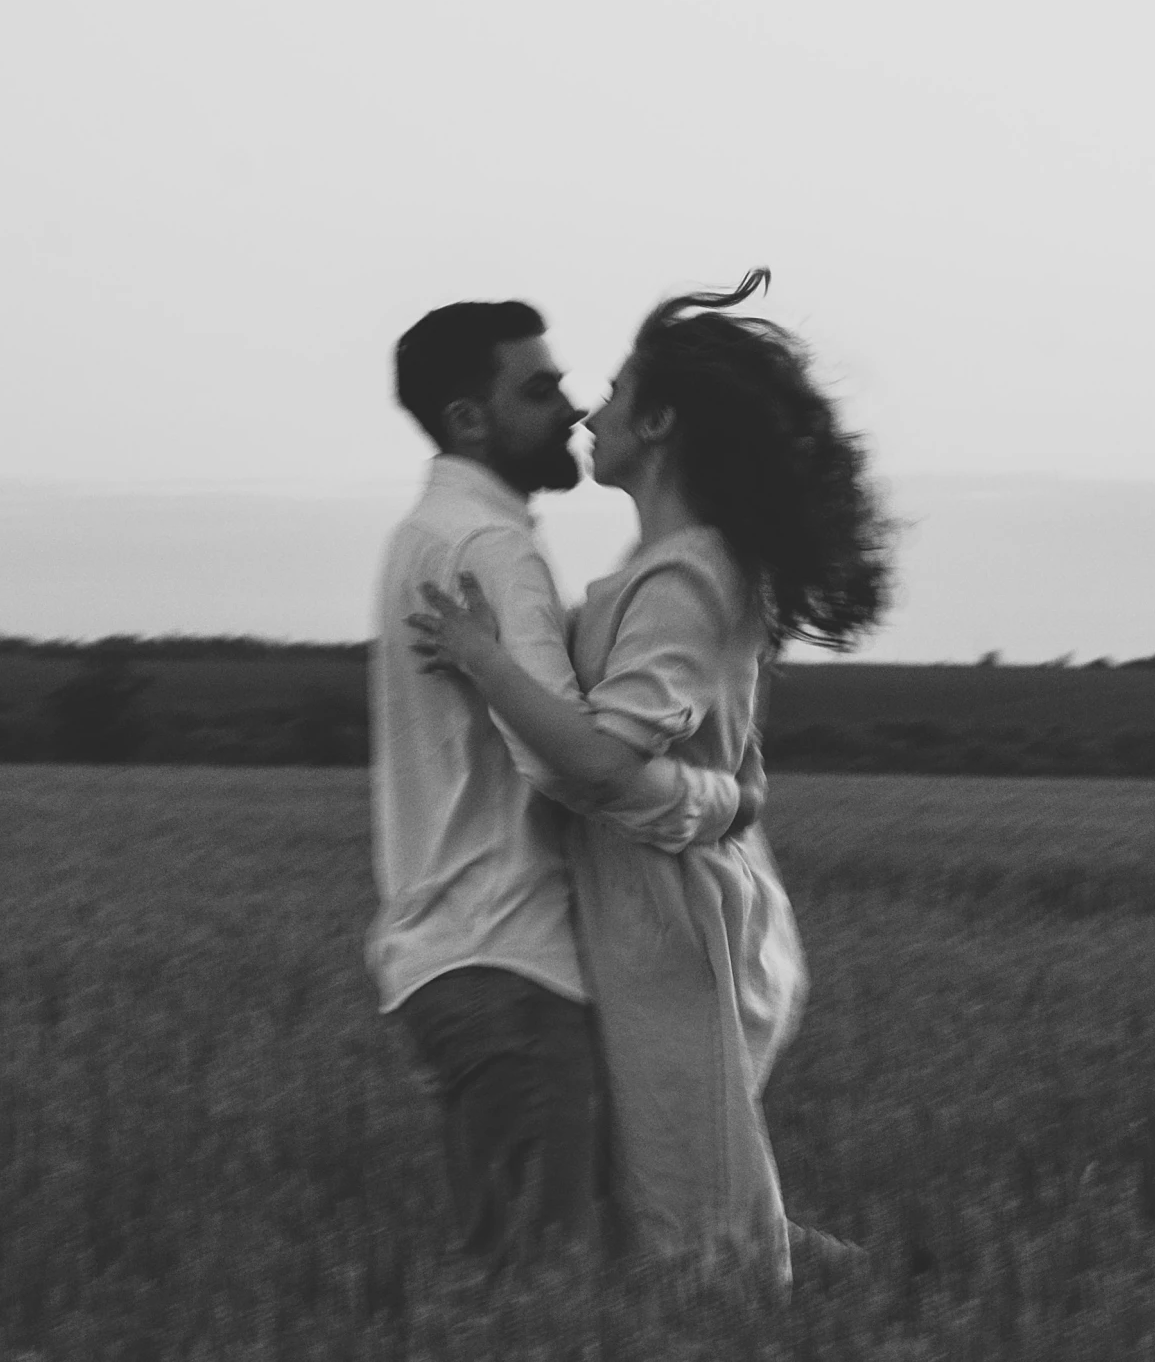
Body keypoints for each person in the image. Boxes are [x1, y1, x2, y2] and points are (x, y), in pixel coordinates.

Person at [407, 270, 891, 1287]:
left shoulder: (681, 576)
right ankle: (877, 1292)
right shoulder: (678, 569)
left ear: (661, 421)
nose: (593, 408)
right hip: (660, 907)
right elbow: (731, 761)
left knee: (694, 1234)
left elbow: (597, 766)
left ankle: (870, 1298)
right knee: (670, 1209)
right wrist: (721, 798)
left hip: (671, 923)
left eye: (619, 388)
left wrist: (480, 656)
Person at [370, 301, 747, 1274]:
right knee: (543, 1296)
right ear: (468, 420)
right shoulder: (495, 550)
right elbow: (570, 763)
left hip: (452, 962)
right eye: (537, 389)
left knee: (536, 1280)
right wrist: (722, 801)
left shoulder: (423, 531)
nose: (570, 406)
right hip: (510, 964)